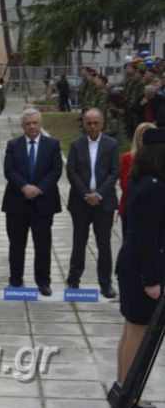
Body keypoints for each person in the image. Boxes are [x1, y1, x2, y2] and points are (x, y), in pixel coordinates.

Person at [115, 127, 165, 408]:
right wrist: (152, 279)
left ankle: (123, 388)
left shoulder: (140, 181)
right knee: (138, 332)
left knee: (130, 329)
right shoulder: (155, 187)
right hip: (141, 269)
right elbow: (148, 238)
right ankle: (130, 395)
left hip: (130, 263)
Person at [2, 108, 63, 296]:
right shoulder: (13, 144)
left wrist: (38, 189)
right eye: (28, 124)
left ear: (40, 123)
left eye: (35, 123)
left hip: (43, 203)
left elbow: (56, 170)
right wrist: (24, 187)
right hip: (17, 203)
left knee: (43, 245)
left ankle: (43, 281)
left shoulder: (52, 144)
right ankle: (15, 280)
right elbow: (9, 170)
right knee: (16, 245)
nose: (32, 127)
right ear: (22, 126)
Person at [65, 108, 120, 297]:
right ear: (84, 124)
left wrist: (99, 194)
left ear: (102, 123)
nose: (93, 126)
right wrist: (87, 194)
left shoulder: (112, 145)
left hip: (103, 204)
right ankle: (73, 281)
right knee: (79, 242)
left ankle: (106, 283)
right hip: (81, 203)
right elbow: (71, 171)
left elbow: (114, 172)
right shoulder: (76, 144)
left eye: (96, 123)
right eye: (89, 123)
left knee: (104, 244)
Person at [119, 122, 155, 237]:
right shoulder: (128, 157)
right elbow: (124, 184)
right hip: (131, 206)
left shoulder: (160, 159)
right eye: (142, 135)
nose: (144, 139)